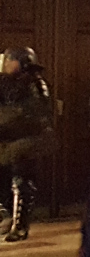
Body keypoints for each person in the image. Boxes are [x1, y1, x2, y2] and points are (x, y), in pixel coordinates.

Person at [0, 48, 52, 242]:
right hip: (7, 140)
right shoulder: (5, 82)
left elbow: (32, 113)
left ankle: (20, 226)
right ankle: (7, 217)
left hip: (26, 140)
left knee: (21, 181)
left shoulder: (35, 84)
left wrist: (5, 117)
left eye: (10, 60)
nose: (6, 64)